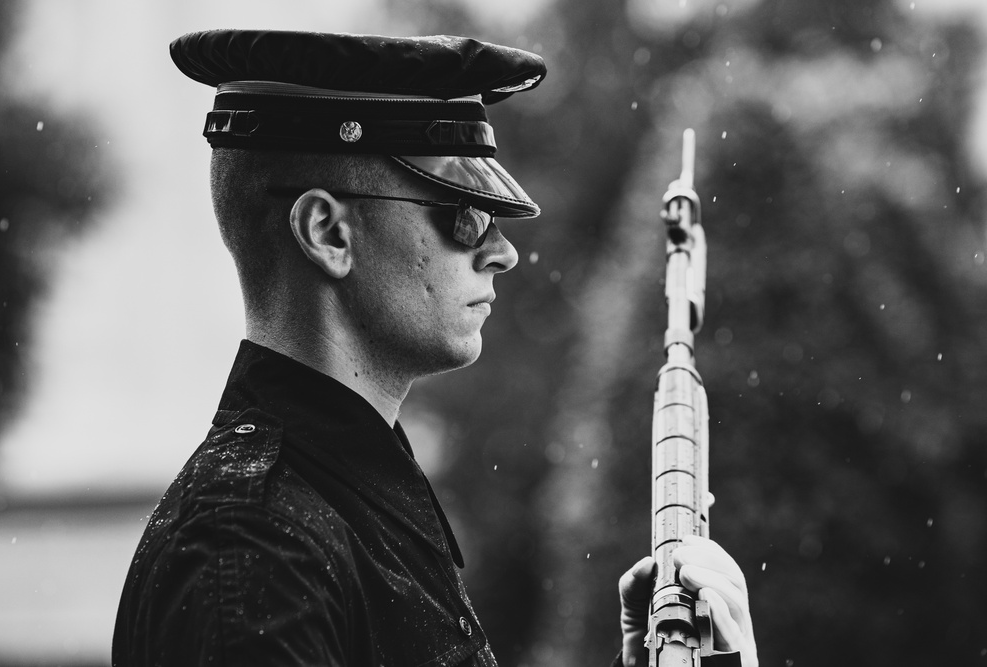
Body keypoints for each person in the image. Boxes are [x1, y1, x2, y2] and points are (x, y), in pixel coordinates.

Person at [112, 29, 756, 667]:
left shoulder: (342, 495)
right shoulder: (257, 553)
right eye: (463, 216)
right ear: (329, 231)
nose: (502, 254)